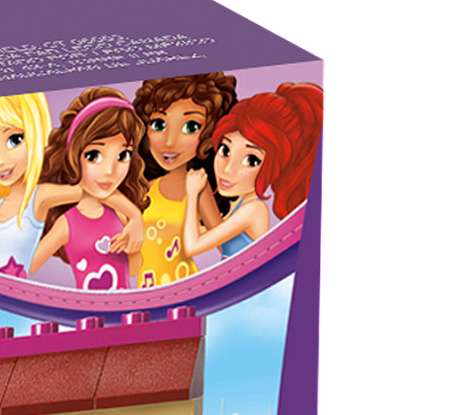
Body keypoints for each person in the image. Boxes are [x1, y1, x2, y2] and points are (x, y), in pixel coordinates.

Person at [0, 92, 137, 277]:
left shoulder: (40, 197)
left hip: (15, 290)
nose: (0, 161)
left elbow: (92, 189)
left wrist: (134, 216)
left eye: (15, 140)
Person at [183, 82, 324, 263]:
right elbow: (207, 234)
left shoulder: (254, 210)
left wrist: (192, 193)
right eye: (225, 151)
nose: (227, 169)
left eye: (250, 161)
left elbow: (192, 246)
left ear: (272, 167)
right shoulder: (239, 203)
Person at [30, 89, 151, 291]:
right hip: (87, 305)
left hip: (125, 303)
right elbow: (30, 266)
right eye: (94, 156)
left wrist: (133, 249)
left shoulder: (119, 214)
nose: (109, 171)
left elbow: (133, 270)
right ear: (74, 156)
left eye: (122, 156)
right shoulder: (67, 223)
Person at [130, 73, 238, 286]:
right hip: (145, 292)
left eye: (190, 127)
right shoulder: (146, 189)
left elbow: (226, 246)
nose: (170, 142)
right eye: (159, 124)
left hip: (185, 290)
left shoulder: (197, 186)